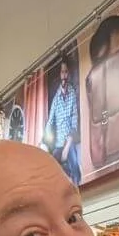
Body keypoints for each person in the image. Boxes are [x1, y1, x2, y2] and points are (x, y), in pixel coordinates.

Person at [43, 57, 81, 185]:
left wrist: (67, 147)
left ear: (69, 74)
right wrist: (45, 141)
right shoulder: (56, 98)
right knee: (50, 171)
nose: (64, 75)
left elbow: (74, 122)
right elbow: (50, 121)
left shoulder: (73, 94)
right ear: (60, 74)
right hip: (58, 143)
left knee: (75, 167)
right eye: (62, 72)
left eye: (66, 72)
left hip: (68, 142)